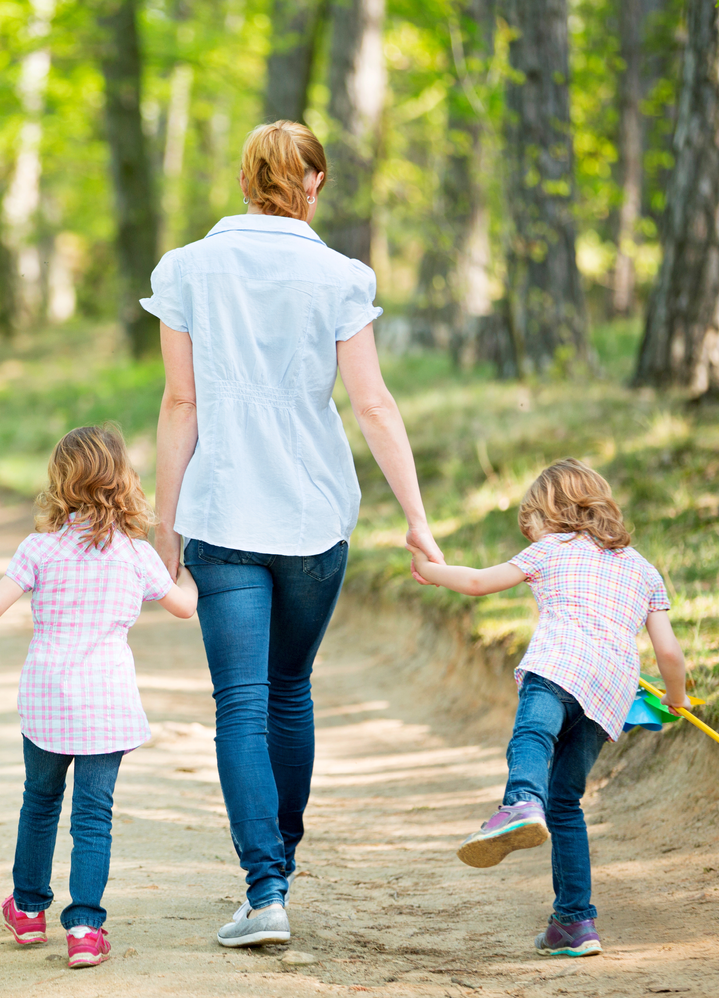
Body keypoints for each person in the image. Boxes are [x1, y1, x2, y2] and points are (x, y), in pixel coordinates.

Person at [142, 120, 443, 948]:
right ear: (313, 185)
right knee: (288, 691)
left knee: (240, 705)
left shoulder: (187, 270)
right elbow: (373, 404)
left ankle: (264, 887)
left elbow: (180, 404)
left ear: (245, 181)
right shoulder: (341, 277)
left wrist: (165, 531)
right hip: (313, 517)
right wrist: (417, 521)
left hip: (225, 512)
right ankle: (284, 863)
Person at [0, 425, 198, 969]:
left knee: (40, 803)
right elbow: (184, 606)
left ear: (59, 485)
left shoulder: (39, 549)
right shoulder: (137, 557)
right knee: (94, 817)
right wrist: (185, 568)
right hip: (108, 706)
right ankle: (87, 929)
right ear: (125, 484)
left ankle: (27, 912)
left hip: (47, 700)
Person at [411, 458, 690, 958]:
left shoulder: (552, 548)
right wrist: (676, 698)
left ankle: (519, 802)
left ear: (551, 512)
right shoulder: (644, 569)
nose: (529, 530)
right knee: (565, 803)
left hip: (559, 665)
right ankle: (575, 924)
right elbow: (669, 653)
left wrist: (431, 570)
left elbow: (476, 582)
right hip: (611, 693)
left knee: (532, 738)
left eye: (530, 521)